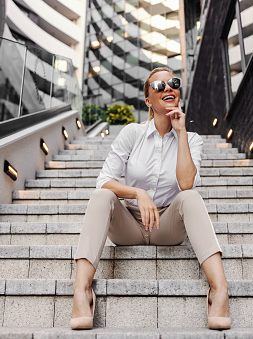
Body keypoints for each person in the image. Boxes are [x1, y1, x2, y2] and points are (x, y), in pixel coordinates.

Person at [70, 67, 230, 330]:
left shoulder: (192, 139)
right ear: (148, 101)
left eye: (173, 83)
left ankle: (219, 288)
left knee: (190, 198)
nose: (168, 88)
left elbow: (187, 183)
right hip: (129, 225)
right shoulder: (132, 133)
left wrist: (180, 133)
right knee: (101, 197)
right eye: (159, 86)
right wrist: (137, 193)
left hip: (167, 226)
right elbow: (104, 180)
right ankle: (82, 290)